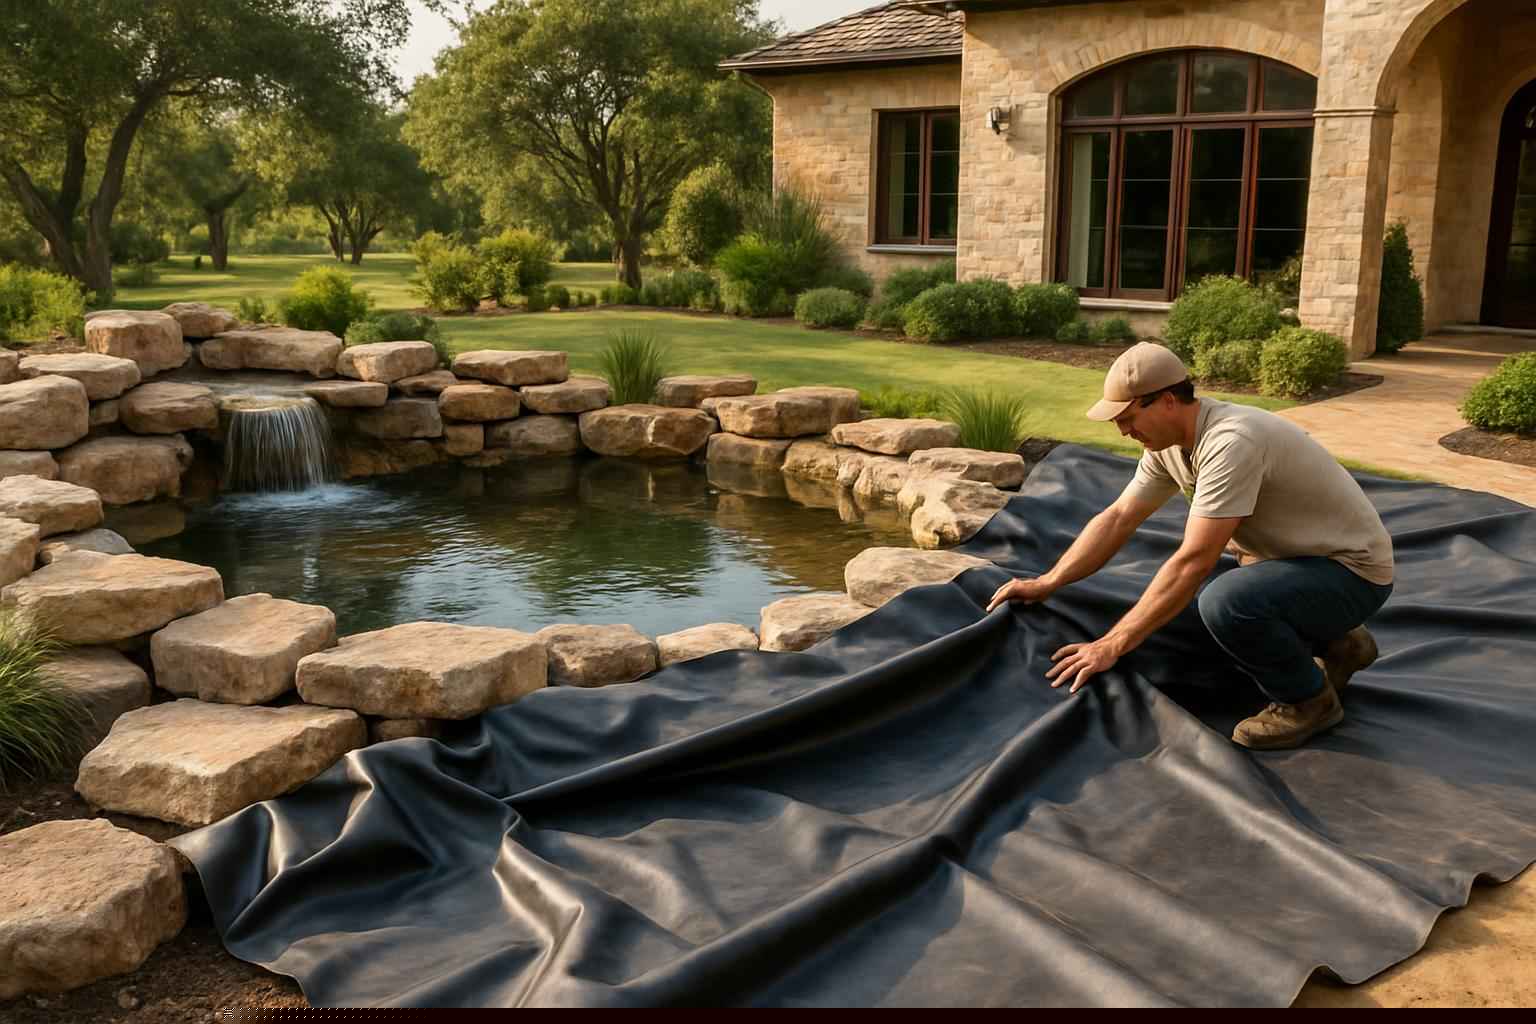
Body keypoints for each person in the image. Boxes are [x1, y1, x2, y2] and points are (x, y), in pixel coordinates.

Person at [986, 342, 1394, 750]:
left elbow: (1195, 559)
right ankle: (1341, 643)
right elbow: (1118, 518)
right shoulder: (1168, 446)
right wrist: (1048, 582)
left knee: (1226, 602)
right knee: (1190, 601)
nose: (1123, 431)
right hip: (1289, 560)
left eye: (1128, 418)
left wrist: (1111, 644)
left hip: (1352, 572)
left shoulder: (1231, 441)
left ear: (1166, 401)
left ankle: (1309, 701)